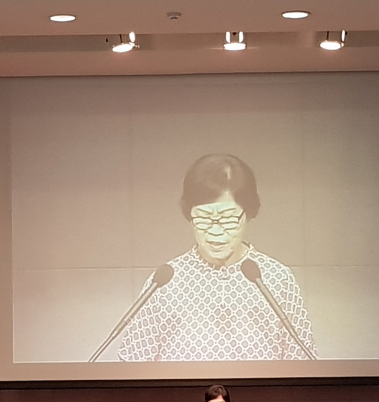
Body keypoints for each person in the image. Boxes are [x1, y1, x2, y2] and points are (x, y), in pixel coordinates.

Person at [118, 153, 315, 361]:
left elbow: (303, 363)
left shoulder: (277, 279)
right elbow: (132, 364)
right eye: (203, 218)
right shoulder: (164, 282)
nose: (215, 231)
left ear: (248, 213)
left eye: (228, 219)